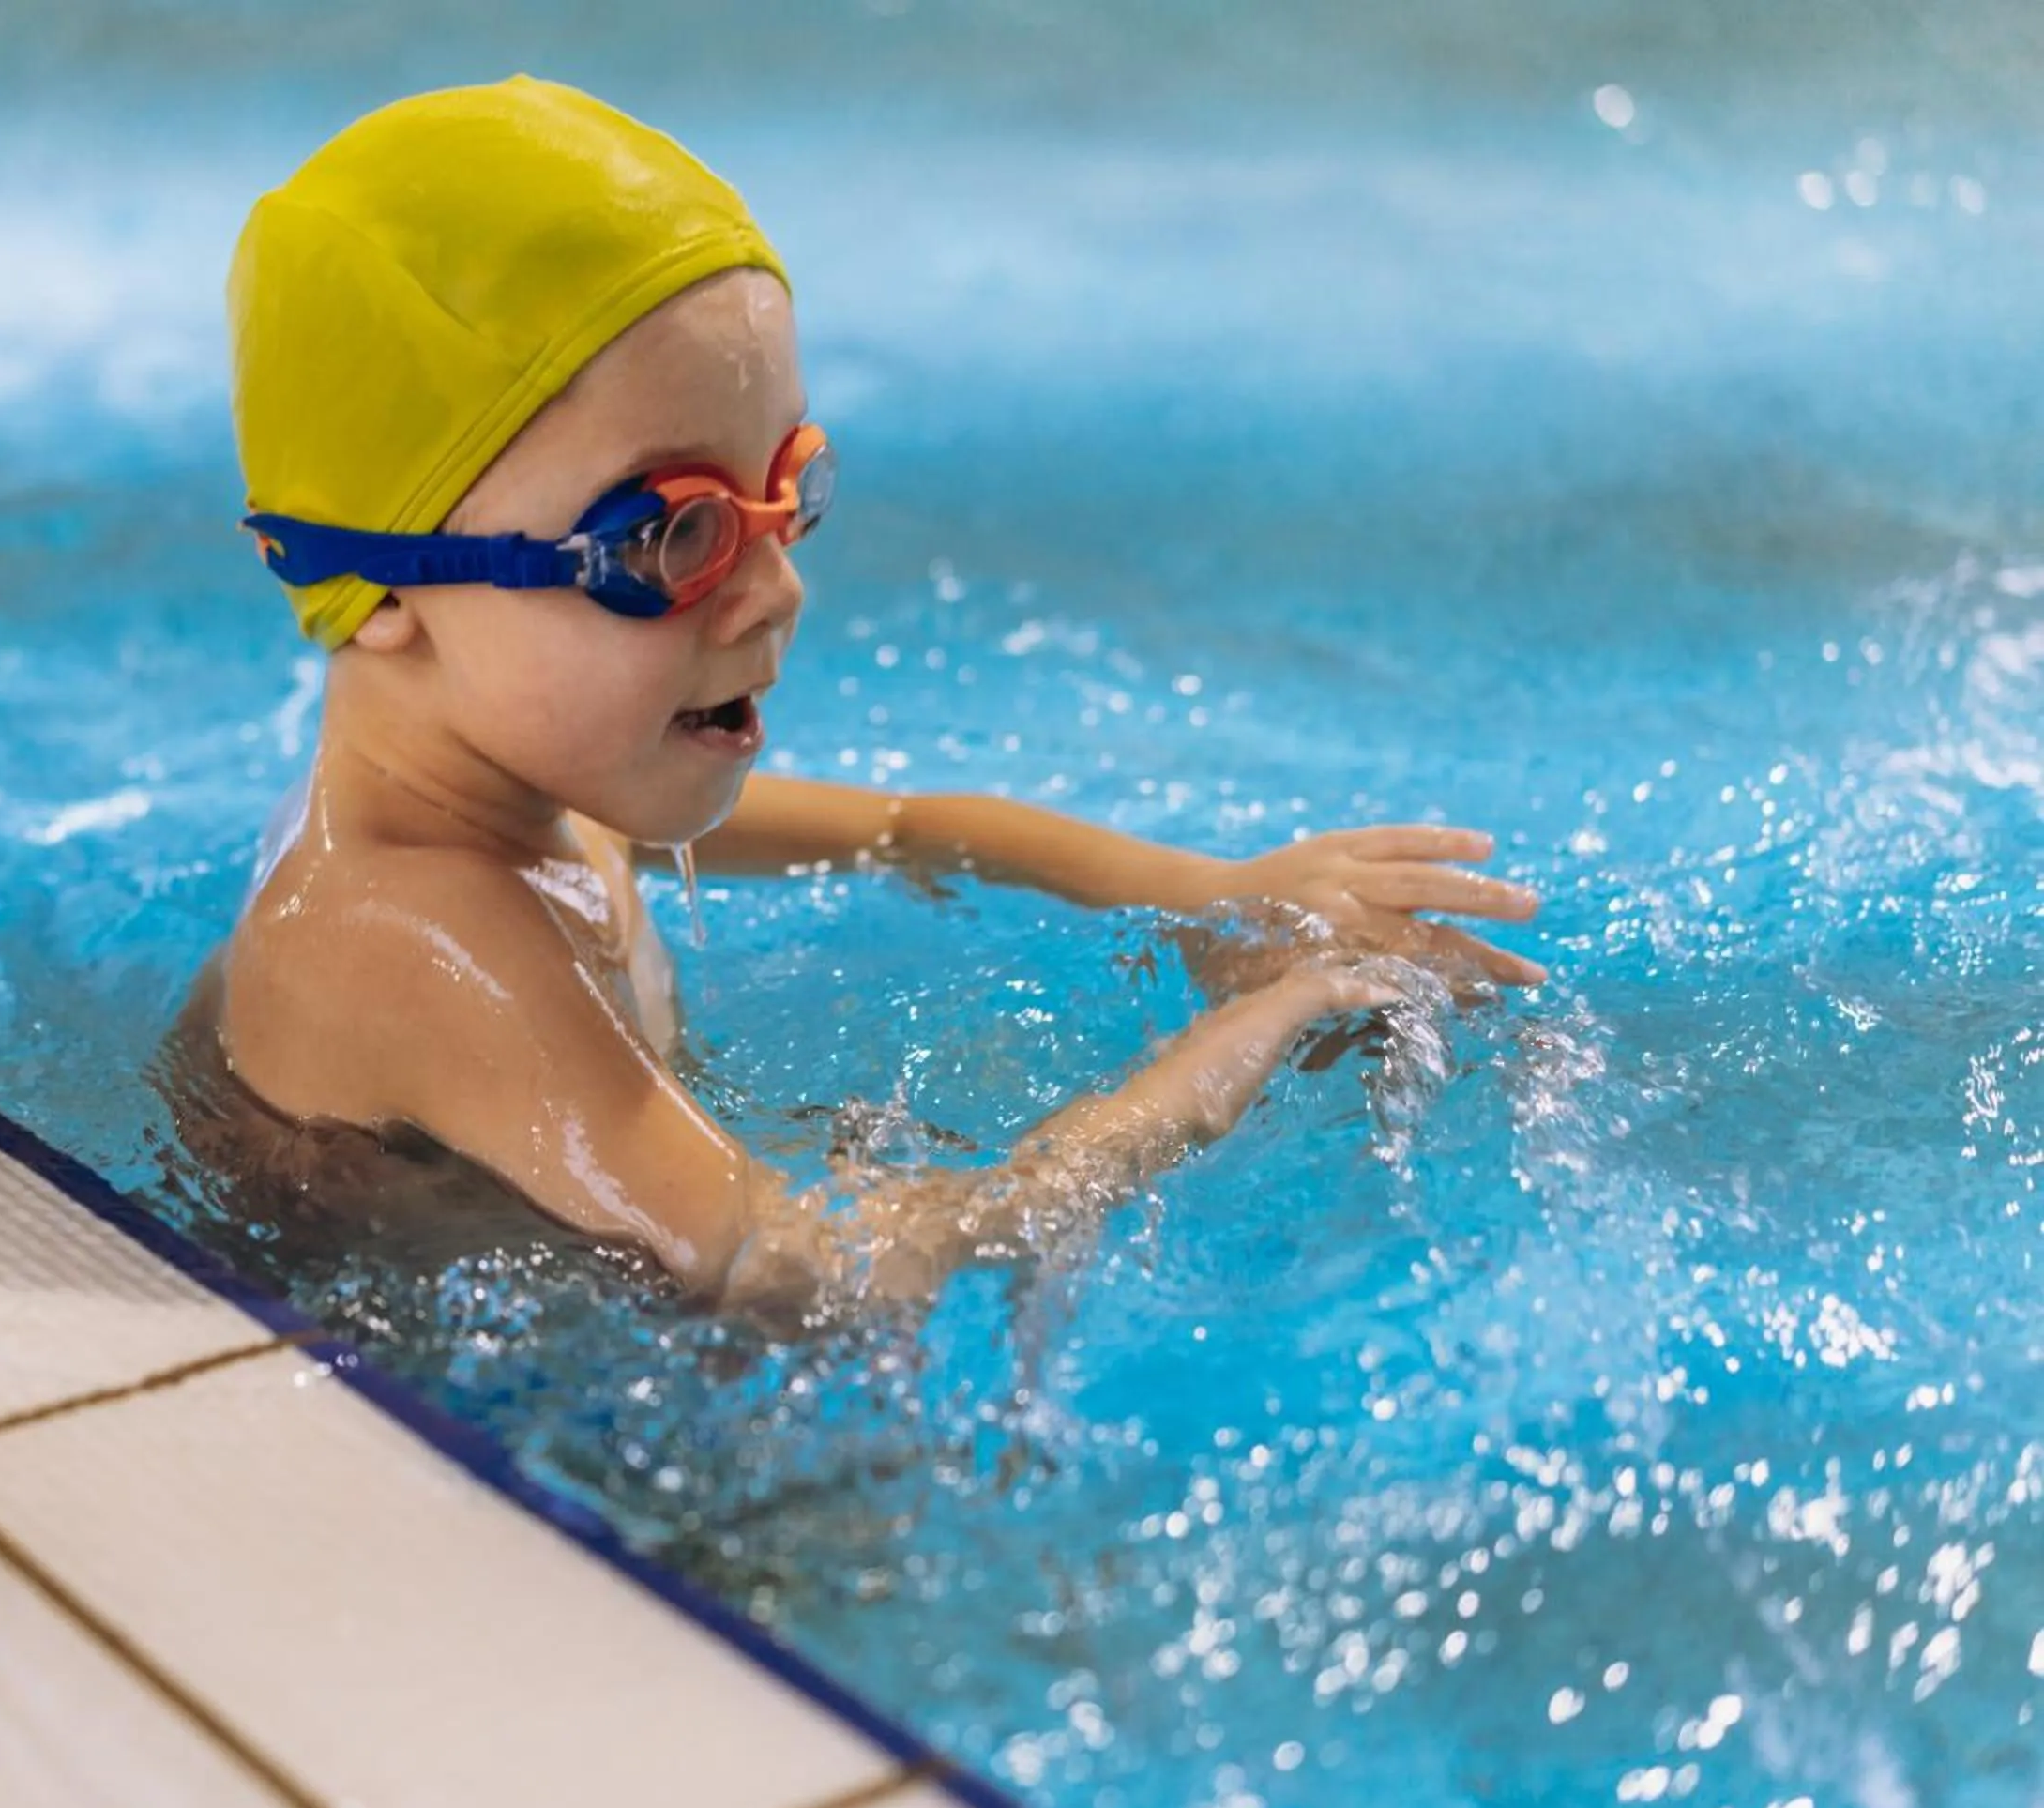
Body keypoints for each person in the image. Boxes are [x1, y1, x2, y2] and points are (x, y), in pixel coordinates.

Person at [166, 75, 1544, 1323]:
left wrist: (1220, 898)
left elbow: (903, 828)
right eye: (671, 536)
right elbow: (805, 1266)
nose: (777, 592)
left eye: (789, 491)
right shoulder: (409, 931)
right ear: (386, 592)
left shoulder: (528, 782)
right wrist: (1239, 1041)